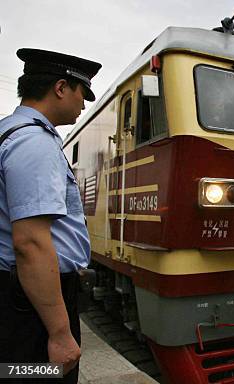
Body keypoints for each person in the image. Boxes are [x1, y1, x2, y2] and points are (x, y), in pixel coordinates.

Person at [0, 48, 101, 383]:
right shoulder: (35, 142)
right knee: (38, 375)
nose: (83, 105)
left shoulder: (10, 132)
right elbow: (30, 242)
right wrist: (59, 334)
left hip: (21, 298)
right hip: (29, 308)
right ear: (61, 88)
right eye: (82, 94)